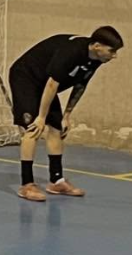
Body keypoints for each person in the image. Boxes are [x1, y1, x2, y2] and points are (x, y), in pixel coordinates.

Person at [9, 26, 124, 202]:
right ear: (97, 46)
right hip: (26, 78)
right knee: (33, 128)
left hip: (45, 83)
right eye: (112, 50)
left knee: (56, 128)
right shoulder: (71, 52)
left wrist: (67, 115)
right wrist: (41, 117)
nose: (114, 55)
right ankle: (27, 184)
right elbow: (52, 85)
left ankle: (56, 181)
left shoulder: (96, 59)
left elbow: (81, 85)